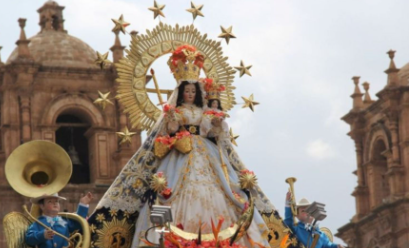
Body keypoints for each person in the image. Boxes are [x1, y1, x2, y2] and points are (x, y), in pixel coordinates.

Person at [90, 45, 277, 248]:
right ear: (181, 92)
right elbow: (168, 131)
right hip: (181, 153)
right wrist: (171, 119)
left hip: (207, 153)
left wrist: (215, 122)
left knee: (222, 188)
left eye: (192, 91)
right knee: (170, 191)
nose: (189, 94)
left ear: (197, 92)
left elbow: (212, 133)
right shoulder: (177, 111)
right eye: (186, 91)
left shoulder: (204, 110)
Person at [25, 192, 93, 248]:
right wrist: (43, 235)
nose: (55, 203)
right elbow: (29, 239)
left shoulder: (64, 220)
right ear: (42, 206)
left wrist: (83, 204)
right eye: (50, 202)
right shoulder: (37, 223)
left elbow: (78, 222)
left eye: (57, 201)